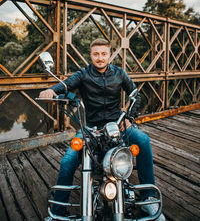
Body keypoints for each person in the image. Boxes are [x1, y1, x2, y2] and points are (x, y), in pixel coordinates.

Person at [40, 38, 165, 221]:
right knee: (67, 161)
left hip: (117, 125)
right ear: (91, 55)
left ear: (109, 54)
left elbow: (135, 95)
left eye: (104, 54)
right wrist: (52, 90)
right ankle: (58, 212)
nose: (100, 58)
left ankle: (148, 199)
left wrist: (129, 118)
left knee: (143, 141)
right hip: (90, 128)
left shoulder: (119, 73)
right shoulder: (83, 74)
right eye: (96, 54)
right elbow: (66, 85)